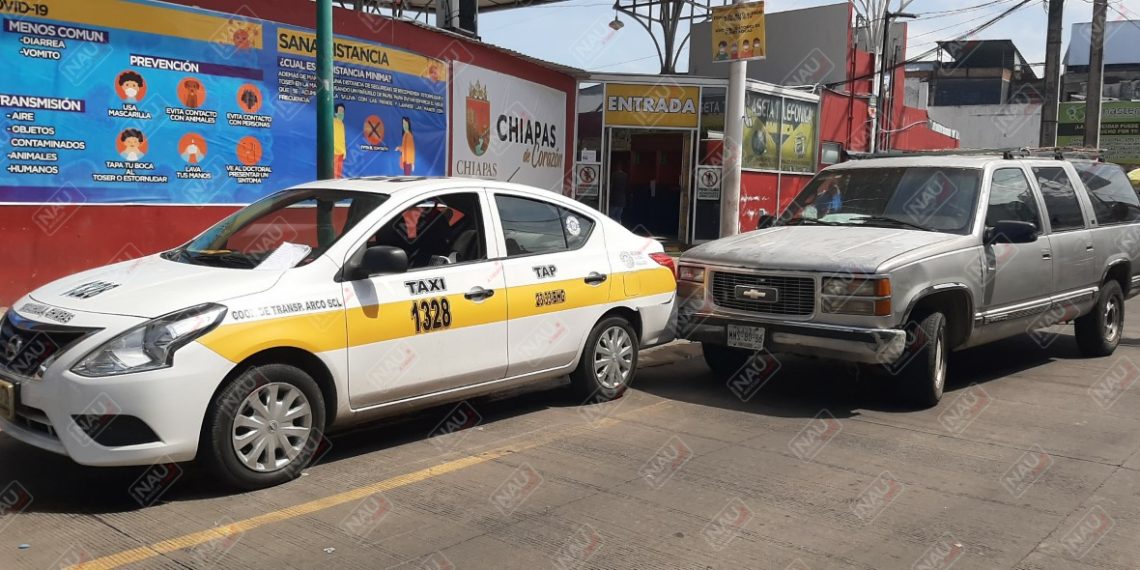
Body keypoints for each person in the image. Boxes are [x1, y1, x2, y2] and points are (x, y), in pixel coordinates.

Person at [333, 103, 347, 178]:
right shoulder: (332, 122)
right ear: (336, 112)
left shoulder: (342, 124)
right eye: (340, 111)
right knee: (333, 175)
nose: (341, 113)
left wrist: (344, 151)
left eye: (343, 111)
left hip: (341, 154)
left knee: (339, 175)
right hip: (334, 153)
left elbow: (342, 139)